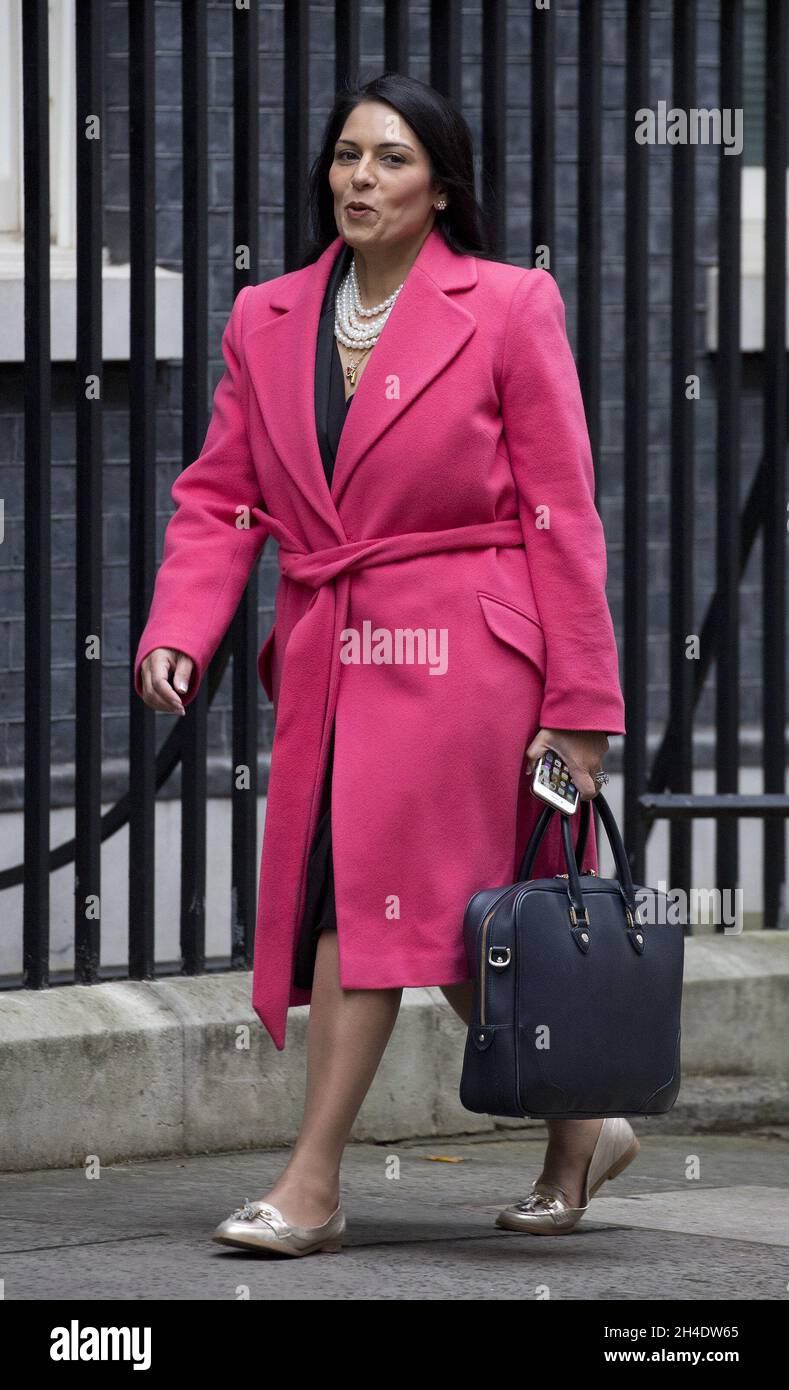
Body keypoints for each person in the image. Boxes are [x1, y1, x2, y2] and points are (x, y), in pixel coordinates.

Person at [134, 73, 638, 1257]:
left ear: (442, 185)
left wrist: (582, 705)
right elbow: (221, 497)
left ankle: (310, 1182)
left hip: (472, 656)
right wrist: (179, 627)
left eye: (393, 160)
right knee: (449, 924)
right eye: (348, 157)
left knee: (368, 908)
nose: (361, 179)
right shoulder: (266, 315)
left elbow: (564, 514)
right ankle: (584, 1123)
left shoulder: (510, 306)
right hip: (332, 651)